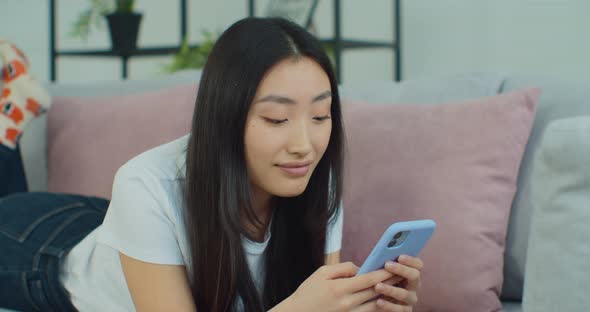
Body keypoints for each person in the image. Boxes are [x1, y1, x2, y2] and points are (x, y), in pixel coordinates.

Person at [0, 17, 424, 312]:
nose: (304, 145)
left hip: (127, 230)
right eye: (277, 119)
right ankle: (8, 113)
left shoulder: (313, 179)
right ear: (226, 117)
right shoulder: (146, 183)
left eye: (319, 116)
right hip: (43, 253)